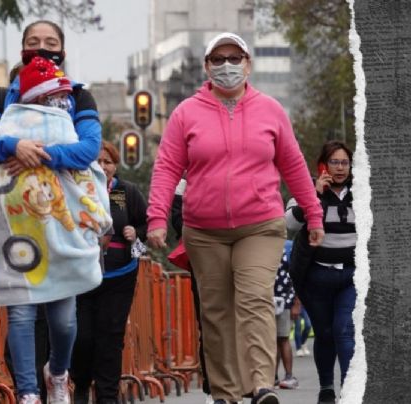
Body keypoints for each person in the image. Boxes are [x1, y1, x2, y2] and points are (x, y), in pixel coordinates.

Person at [146, 32, 325, 404]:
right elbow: (166, 169)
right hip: (204, 230)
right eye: (218, 59)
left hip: (260, 225)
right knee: (216, 313)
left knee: (255, 299)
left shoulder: (270, 110)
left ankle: (261, 384)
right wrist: (157, 218)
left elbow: (292, 165)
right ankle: (225, 394)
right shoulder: (185, 113)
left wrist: (314, 215)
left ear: (248, 64)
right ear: (207, 67)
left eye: (234, 57)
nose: (227, 65)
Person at [0, 21, 105, 404]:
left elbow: (89, 149)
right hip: (14, 226)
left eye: (50, 42)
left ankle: (57, 373)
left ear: (62, 49)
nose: (41, 48)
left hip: (62, 225)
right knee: (22, 316)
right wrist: (14, 145)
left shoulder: (80, 97)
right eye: (33, 42)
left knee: (63, 321)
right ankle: (28, 393)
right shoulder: (0, 96)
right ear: (22, 48)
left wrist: (37, 155)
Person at [70, 141, 147, 404]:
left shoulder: (126, 192)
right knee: (82, 337)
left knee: (110, 338)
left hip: (120, 275)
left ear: (115, 165)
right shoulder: (78, 189)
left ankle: (107, 396)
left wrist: (135, 234)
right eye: (97, 162)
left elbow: (145, 225)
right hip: (83, 274)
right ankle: (80, 382)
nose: (103, 167)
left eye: (108, 162)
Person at [285, 140, 356, 404]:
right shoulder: (306, 188)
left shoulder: (361, 190)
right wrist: (311, 195)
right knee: (324, 333)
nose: (340, 168)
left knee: (344, 331)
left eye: (345, 163)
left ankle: (349, 392)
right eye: (334, 162)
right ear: (323, 165)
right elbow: (288, 222)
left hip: (351, 276)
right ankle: (326, 387)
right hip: (316, 277)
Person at [169, 177, 213, 404]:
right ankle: (212, 389)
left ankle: (244, 384)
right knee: (208, 324)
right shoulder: (184, 183)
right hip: (202, 258)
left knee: (241, 322)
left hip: (239, 256)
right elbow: (177, 219)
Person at [273, 240, 299, 390]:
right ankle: (273, 376)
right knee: (270, 340)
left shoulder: (288, 246)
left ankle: (289, 375)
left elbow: (296, 275)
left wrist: (297, 303)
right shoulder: (260, 243)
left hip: (283, 299)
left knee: (282, 338)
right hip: (264, 298)